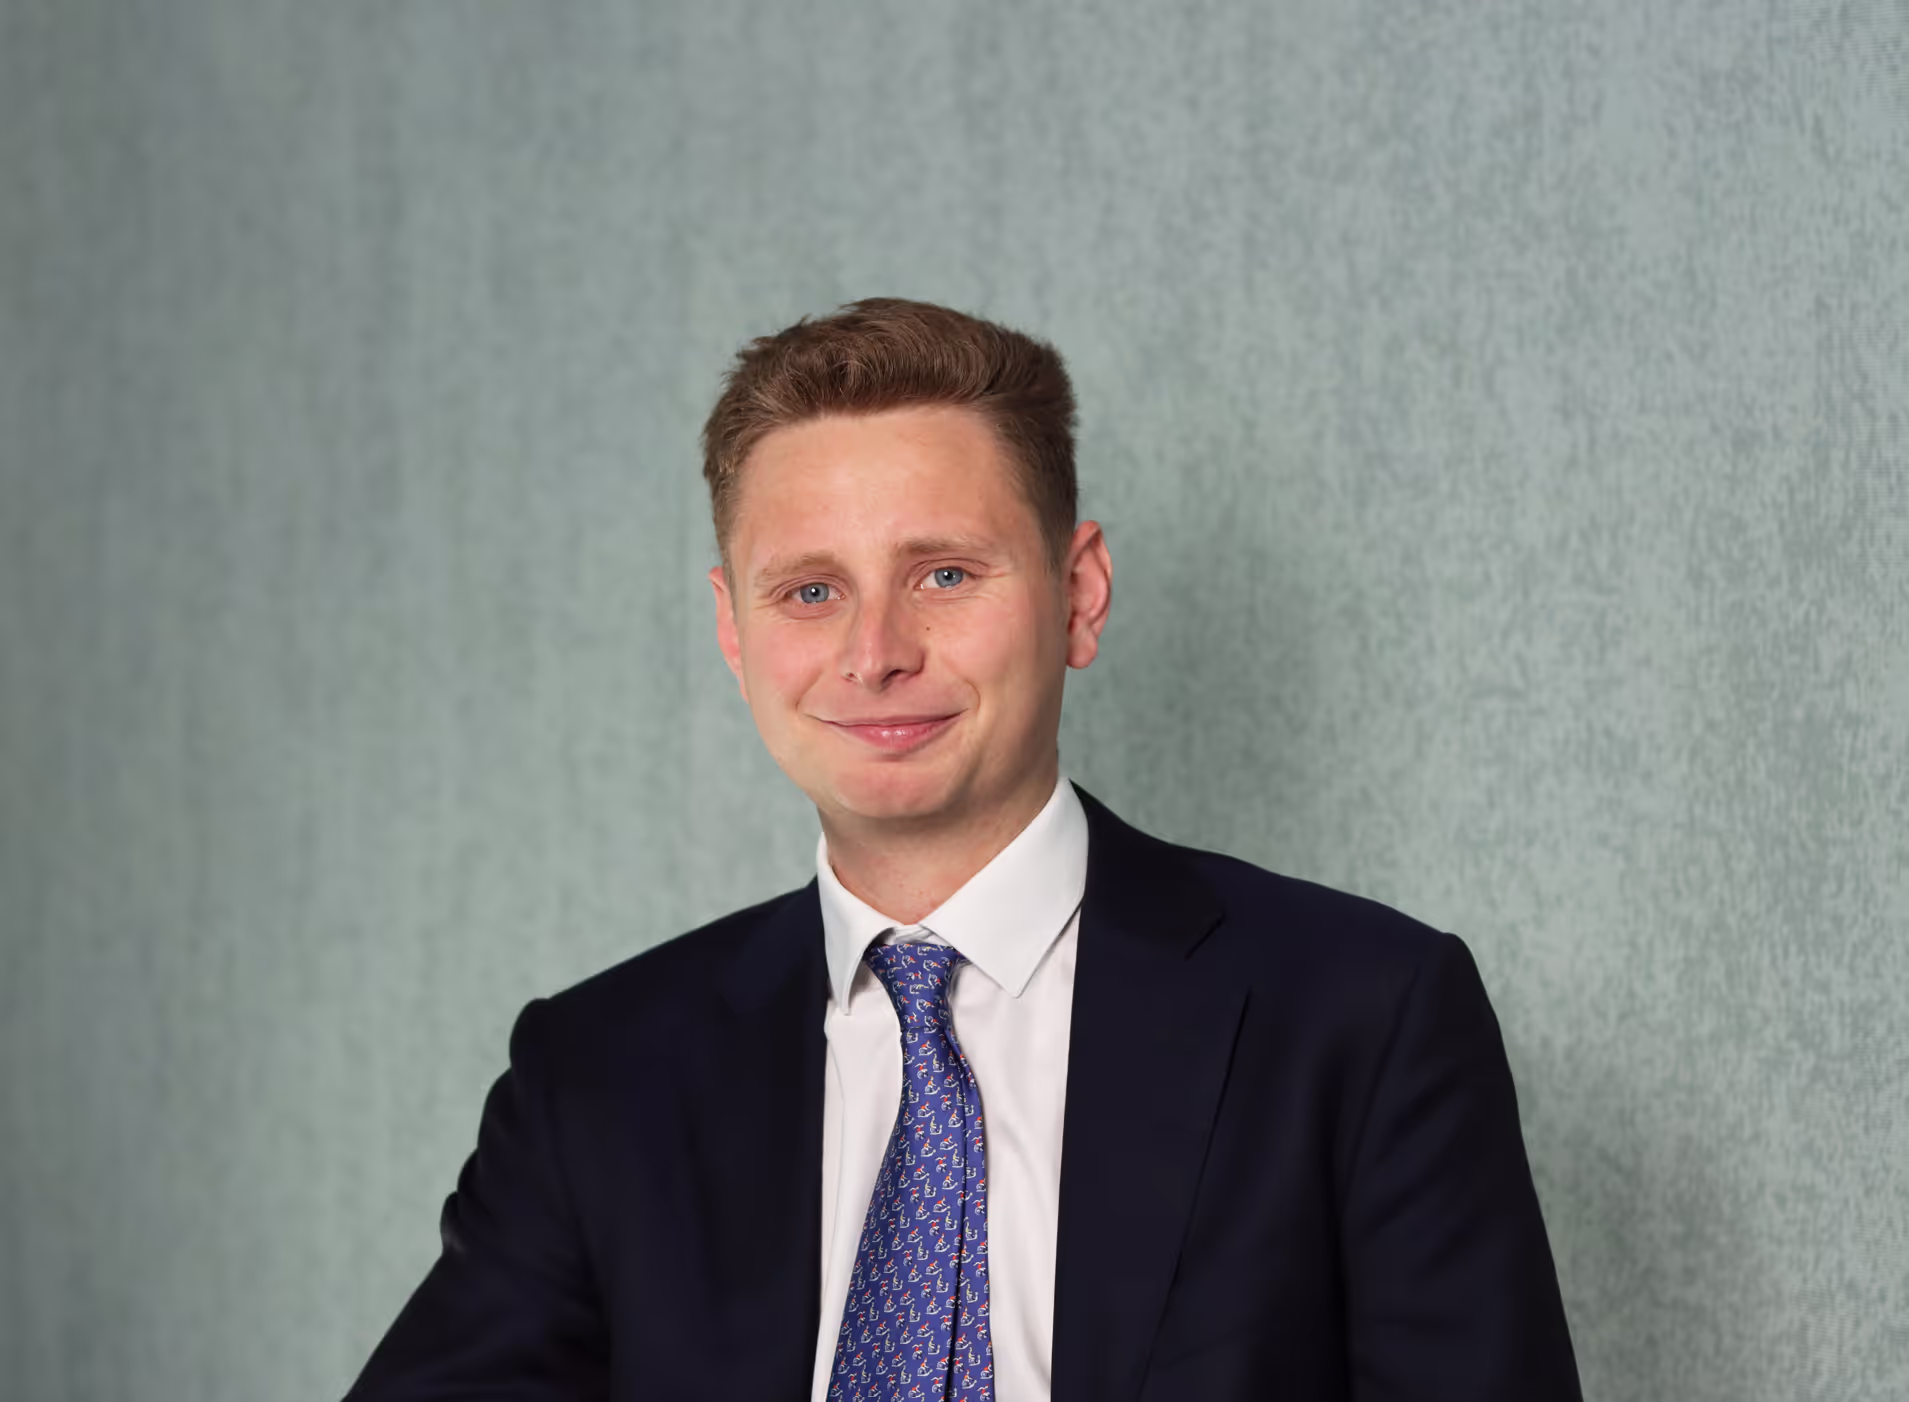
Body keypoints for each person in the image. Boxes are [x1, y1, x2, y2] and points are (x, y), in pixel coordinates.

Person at [345, 298, 1582, 1401]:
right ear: (732, 629)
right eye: (810, 591)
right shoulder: (599, 1075)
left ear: (1077, 592)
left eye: (942, 573)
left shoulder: (1361, 1017)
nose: (874, 653)